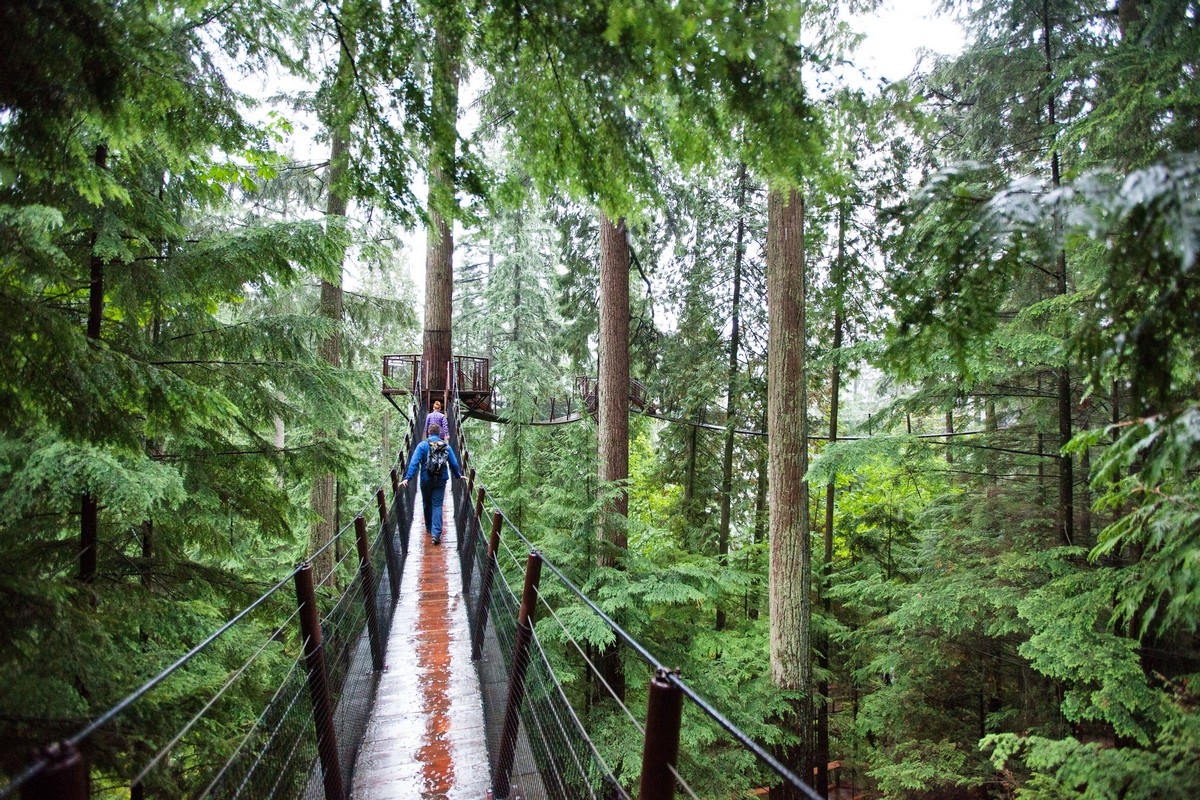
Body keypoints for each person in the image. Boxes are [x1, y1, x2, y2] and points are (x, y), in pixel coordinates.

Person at [400, 422, 463, 545]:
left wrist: (408, 478)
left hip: (426, 479)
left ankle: (429, 527)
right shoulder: (445, 446)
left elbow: (414, 462)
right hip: (441, 480)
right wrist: (457, 475)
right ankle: (436, 534)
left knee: (427, 503)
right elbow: (454, 463)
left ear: (428, 433)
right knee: (437, 505)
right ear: (439, 433)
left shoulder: (422, 445)